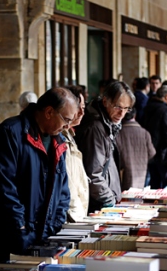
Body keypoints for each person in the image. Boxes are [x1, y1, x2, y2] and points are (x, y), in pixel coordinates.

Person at [0, 88, 79, 271]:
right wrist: (21, 230)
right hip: (6, 241)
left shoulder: (58, 141)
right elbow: (0, 189)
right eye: (66, 120)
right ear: (48, 112)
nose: (68, 127)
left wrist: (52, 230)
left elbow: (62, 192)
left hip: (40, 241)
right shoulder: (9, 133)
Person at [76, 81, 135, 212]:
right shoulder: (96, 128)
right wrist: (110, 200)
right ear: (105, 102)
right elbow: (93, 173)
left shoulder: (108, 124)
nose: (122, 113)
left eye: (126, 108)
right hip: (98, 204)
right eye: (118, 107)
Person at [142, 85, 167, 189]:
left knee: (155, 185)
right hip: (165, 154)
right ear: (166, 97)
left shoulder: (148, 108)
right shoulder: (166, 111)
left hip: (151, 152)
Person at [63, 85, 89, 222]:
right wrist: (76, 216)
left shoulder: (70, 135)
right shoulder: (59, 136)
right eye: (78, 109)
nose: (81, 113)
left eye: (83, 108)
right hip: (71, 215)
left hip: (77, 213)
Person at [116, 108, 155, 190]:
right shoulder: (145, 132)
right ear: (135, 116)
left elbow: (116, 153)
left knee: (125, 199)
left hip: (124, 173)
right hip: (141, 173)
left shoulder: (119, 133)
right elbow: (152, 153)